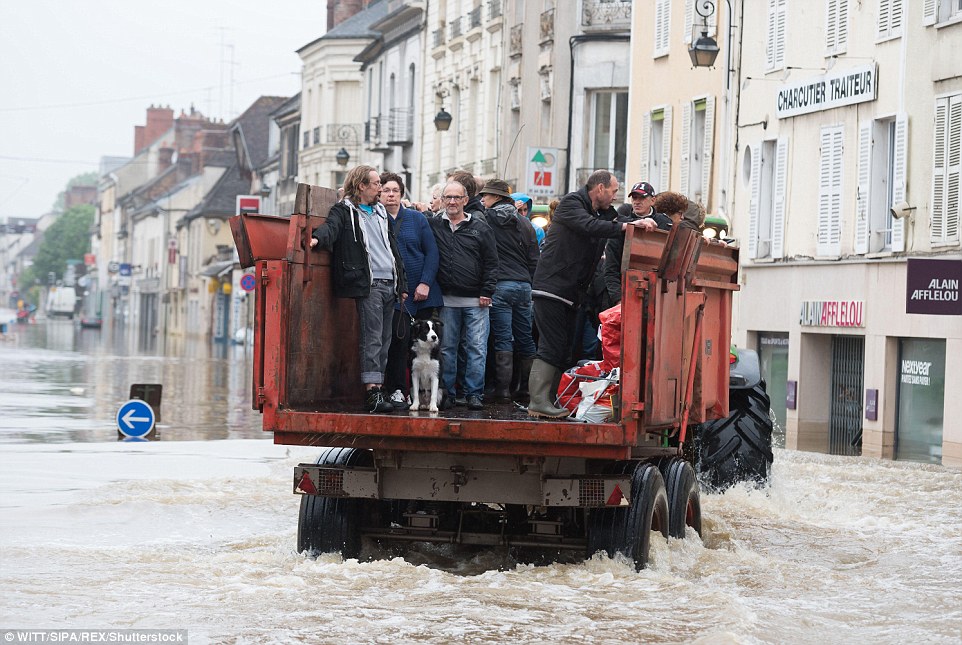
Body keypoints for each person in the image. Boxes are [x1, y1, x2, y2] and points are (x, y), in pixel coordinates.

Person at [528, 170, 632, 418]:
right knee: (551, 345)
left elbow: (611, 221)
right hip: (552, 288)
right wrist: (624, 225)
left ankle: (550, 400)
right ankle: (538, 401)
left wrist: (631, 222)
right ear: (599, 189)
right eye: (613, 191)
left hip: (570, 292)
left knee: (564, 348)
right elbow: (591, 226)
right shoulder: (571, 203)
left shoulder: (598, 211)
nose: (615, 196)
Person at [310, 165, 408, 414]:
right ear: (362, 186)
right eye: (376, 183)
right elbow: (330, 228)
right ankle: (372, 392)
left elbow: (393, 250)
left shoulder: (381, 213)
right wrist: (316, 239)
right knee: (372, 338)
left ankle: (380, 386)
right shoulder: (345, 211)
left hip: (390, 283)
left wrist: (402, 284)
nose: (380, 188)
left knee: (385, 340)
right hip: (370, 284)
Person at [427, 180, 499, 410]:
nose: (452, 202)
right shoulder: (434, 225)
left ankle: (474, 393)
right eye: (448, 197)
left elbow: (492, 262)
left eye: (457, 198)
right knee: (447, 348)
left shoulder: (480, 228)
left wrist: (487, 290)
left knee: (477, 348)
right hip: (447, 299)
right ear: (442, 200)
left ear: (466, 201)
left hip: (477, 299)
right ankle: (448, 393)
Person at [379, 172, 443, 409]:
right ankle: (398, 390)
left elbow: (432, 252)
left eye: (395, 191)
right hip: (398, 295)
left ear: (402, 194)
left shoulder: (417, 219)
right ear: (379, 193)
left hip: (425, 293)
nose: (391, 195)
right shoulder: (377, 219)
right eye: (386, 190)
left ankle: (432, 396)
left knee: (430, 346)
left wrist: (425, 282)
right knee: (398, 342)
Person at [479, 179, 540, 401]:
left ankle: (502, 391)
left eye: (486, 195)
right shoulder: (525, 223)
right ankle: (525, 390)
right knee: (525, 338)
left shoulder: (486, 219)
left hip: (501, 285)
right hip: (524, 286)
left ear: (496, 197)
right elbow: (535, 259)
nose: (482, 199)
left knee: (503, 339)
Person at [605, 181, 671, 304]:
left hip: (658, 295)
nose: (637, 201)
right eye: (634, 197)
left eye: (642, 197)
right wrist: (618, 299)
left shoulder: (665, 224)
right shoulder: (620, 225)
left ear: (653, 200)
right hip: (627, 292)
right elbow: (611, 268)